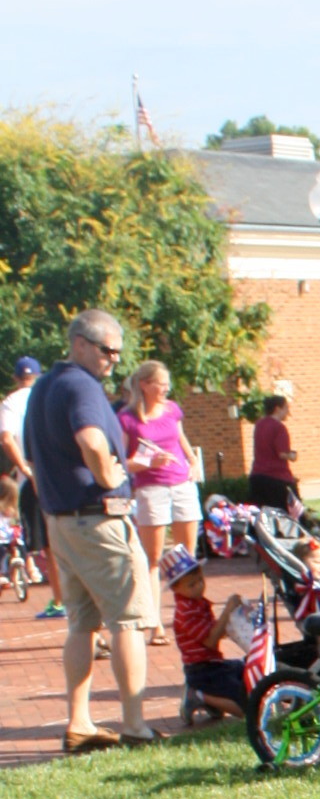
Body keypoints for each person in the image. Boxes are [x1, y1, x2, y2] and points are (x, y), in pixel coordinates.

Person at [21, 310, 161, 750]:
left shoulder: (43, 386)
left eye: (118, 353)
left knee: (81, 624)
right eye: (106, 350)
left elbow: (37, 457)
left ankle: (79, 723)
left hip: (63, 522)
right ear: (79, 342)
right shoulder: (80, 385)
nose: (113, 360)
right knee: (129, 621)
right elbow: (92, 440)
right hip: (99, 519)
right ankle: (135, 724)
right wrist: (109, 477)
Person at [121, 359, 204, 640]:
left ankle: (192, 617)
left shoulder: (172, 410)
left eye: (167, 383)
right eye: (161, 383)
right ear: (144, 385)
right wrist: (148, 463)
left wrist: (193, 461)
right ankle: (155, 623)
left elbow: (180, 439)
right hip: (151, 489)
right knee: (154, 559)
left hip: (182, 485)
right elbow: (122, 462)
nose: (166, 388)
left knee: (186, 556)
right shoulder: (128, 418)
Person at [163, 549, 248, 722]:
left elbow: (216, 631)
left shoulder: (197, 603)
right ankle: (198, 695)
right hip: (202, 670)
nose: (199, 586)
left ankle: (213, 702)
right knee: (248, 708)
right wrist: (227, 611)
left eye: (200, 580)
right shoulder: (186, 612)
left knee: (246, 670)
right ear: (175, 588)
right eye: (192, 585)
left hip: (214, 663)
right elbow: (210, 640)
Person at [0, 354, 58, 607]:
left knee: (49, 543)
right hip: (60, 474)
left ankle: (60, 600)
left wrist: (24, 467)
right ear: (39, 376)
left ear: (15, 377)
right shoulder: (51, 396)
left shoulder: (11, 401)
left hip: (32, 480)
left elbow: (6, 438)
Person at [249, 395, 299, 513]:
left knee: (263, 517)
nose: (288, 412)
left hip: (257, 476)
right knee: (290, 514)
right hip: (277, 479)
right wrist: (292, 456)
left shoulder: (259, 425)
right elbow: (282, 454)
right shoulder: (279, 427)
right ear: (277, 409)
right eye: (286, 408)